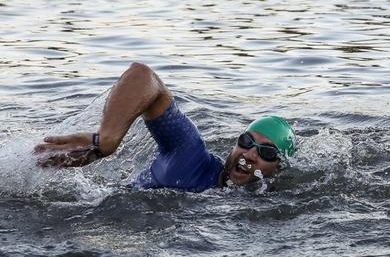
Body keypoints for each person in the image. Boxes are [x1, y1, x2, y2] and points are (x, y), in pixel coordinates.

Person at [35, 62, 296, 192]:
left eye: (266, 152)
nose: (250, 154)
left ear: (279, 169)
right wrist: (106, 140)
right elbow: (143, 75)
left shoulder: (271, 208)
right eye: (246, 141)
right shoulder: (190, 156)